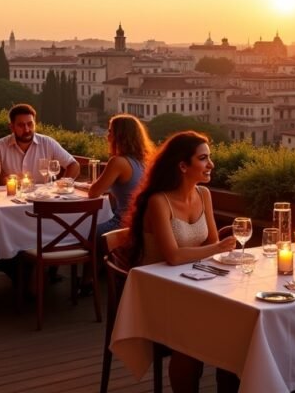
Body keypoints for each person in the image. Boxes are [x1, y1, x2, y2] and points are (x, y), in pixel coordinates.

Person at [122, 131, 239, 393]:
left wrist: (217, 249)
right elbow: (173, 256)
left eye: (210, 157)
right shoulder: (158, 201)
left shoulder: (204, 195)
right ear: (183, 166)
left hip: (194, 283)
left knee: (236, 331)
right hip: (157, 292)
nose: (211, 164)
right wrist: (217, 247)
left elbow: (210, 247)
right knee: (190, 346)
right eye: (203, 158)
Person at [88, 114, 153, 238]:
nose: (107, 136)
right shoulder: (146, 161)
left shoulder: (118, 162)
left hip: (122, 224)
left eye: (110, 131)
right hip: (141, 224)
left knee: (82, 232)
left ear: (119, 136)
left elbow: (93, 193)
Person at [0, 103, 80, 182]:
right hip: (9, 201)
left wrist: (63, 185)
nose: (27, 130)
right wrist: (1, 177)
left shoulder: (48, 143)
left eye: (30, 124)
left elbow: (73, 165)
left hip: (43, 201)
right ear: (12, 127)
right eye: (21, 125)